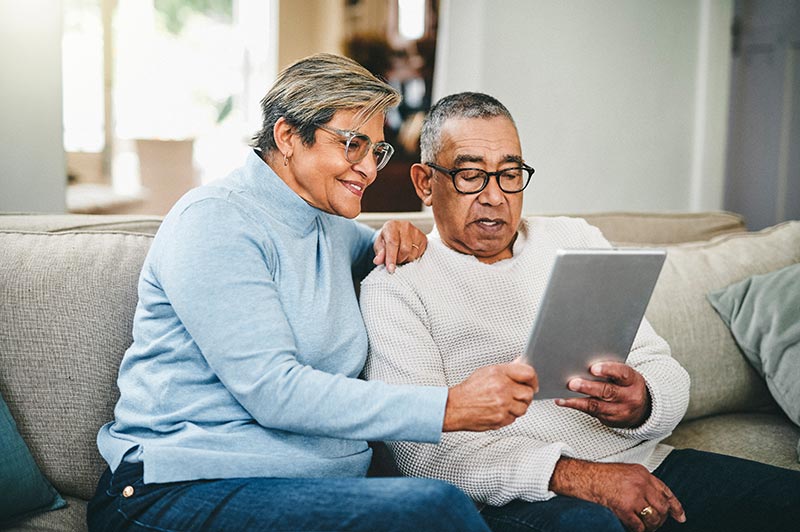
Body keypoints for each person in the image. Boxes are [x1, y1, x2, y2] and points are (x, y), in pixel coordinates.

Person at [87, 56, 539, 532]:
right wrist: (447, 407)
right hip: (177, 490)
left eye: (377, 151)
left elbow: (401, 257)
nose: (367, 168)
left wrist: (399, 234)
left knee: (559, 518)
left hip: (311, 488)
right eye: (352, 145)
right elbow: (274, 391)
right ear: (286, 137)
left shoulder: (331, 228)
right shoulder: (215, 220)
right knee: (433, 507)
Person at [360, 91, 800, 532]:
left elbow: (663, 368)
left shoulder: (574, 239)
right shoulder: (398, 283)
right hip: (523, 495)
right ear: (424, 183)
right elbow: (420, 451)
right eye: (471, 175)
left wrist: (643, 402)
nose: (494, 196)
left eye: (510, 174)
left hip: (644, 466)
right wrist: (583, 477)